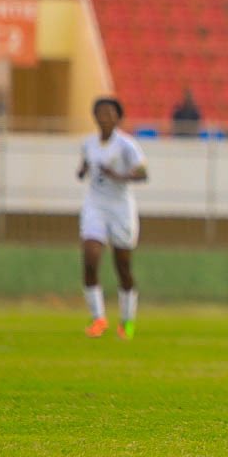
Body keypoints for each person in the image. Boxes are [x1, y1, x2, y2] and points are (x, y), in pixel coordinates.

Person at [76, 96, 148, 339]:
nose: (104, 117)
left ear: (118, 117)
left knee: (123, 266)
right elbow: (85, 165)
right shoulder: (88, 144)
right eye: (100, 113)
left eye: (109, 113)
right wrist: (82, 170)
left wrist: (118, 176)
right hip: (95, 205)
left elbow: (143, 174)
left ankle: (127, 321)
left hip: (120, 208)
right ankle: (98, 318)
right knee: (90, 256)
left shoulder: (127, 145)